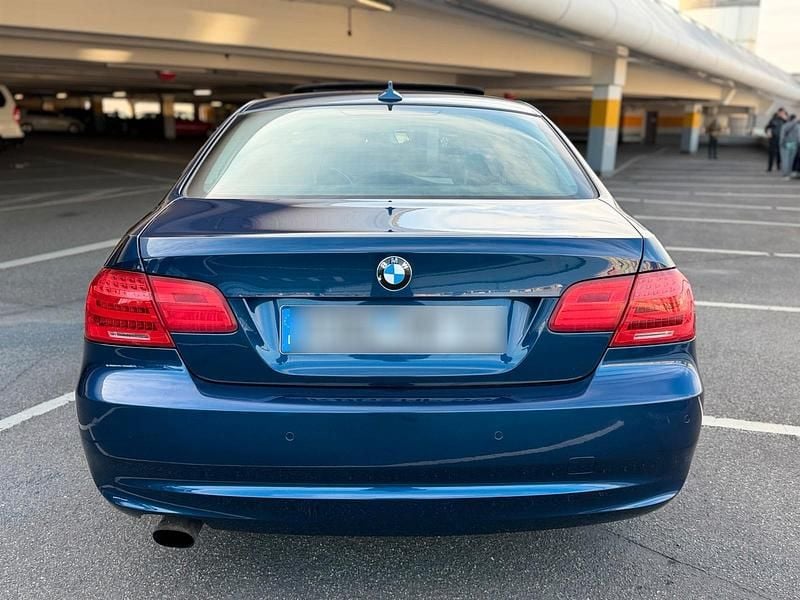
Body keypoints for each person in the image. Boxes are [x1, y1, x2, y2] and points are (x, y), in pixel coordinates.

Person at [779, 114, 799, 179]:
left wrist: (781, 143)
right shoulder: (797, 126)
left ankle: (785, 174)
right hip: (793, 143)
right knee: (791, 159)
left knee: (785, 159)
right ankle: (789, 174)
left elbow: (782, 136)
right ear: (794, 119)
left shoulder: (785, 125)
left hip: (786, 143)